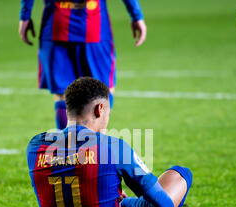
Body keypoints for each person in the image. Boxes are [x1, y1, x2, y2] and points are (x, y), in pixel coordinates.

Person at [26, 77, 192, 207]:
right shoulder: (115, 148)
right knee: (181, 174)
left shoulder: (35, 146)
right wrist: (125, 204)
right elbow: (163, 206)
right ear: (100, 109)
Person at [19, 0, 147, 129]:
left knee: (63, 95)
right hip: (93, 25)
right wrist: (136, 15)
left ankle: (69, 145)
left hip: (56, 25)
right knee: (102, 92)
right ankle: (94, 145)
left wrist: (25, 16)